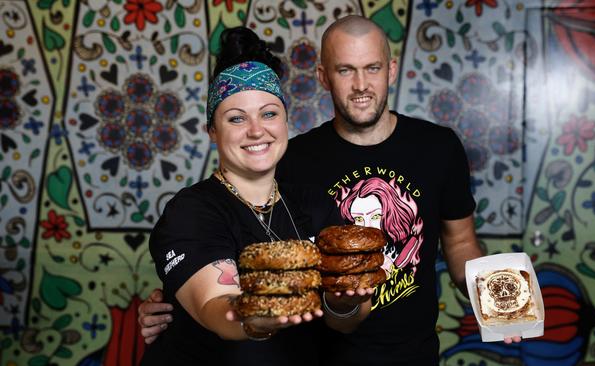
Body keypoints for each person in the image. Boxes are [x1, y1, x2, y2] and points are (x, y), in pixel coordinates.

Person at [139, 16, 521, 365]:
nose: (360, 85)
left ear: (390, 71)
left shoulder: (437, 148)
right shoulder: (290, 163)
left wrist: (505, 304)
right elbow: (219, 265)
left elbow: (459, 244)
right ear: (324, 76)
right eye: (345, 70)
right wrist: (182, 305)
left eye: (372, 68)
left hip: (411, 352)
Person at [139, 27, 373, 365]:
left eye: (269, 113)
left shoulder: (315, 205)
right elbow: (215, 308)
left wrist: (342, 300)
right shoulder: (192, 211)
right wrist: (259, 315)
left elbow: (347, 321)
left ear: (285, 121)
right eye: (236, 118)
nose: (256, 130)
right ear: (212, 132)